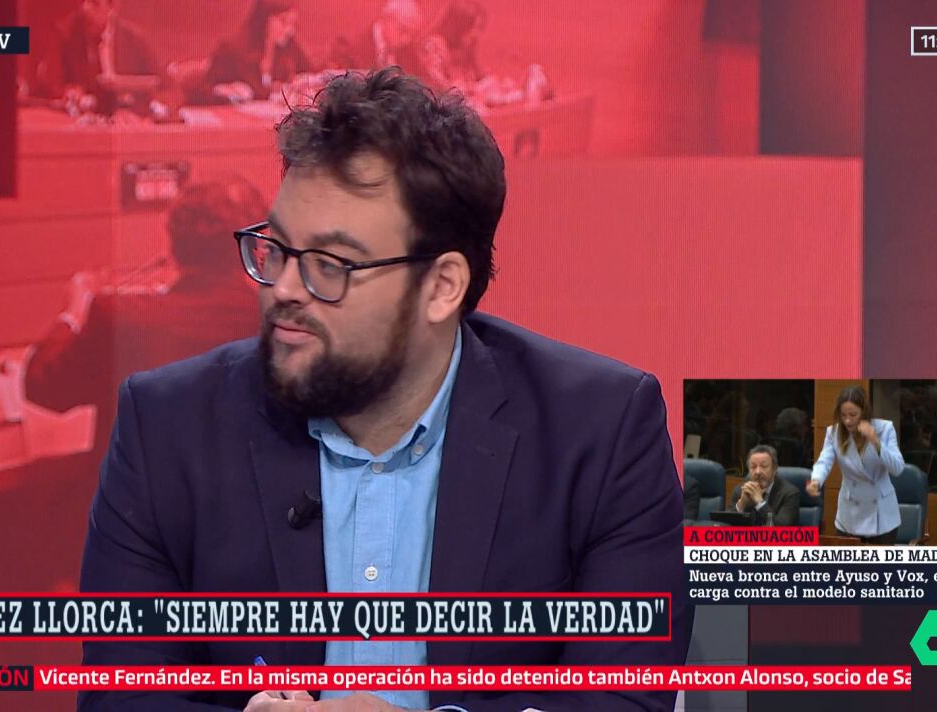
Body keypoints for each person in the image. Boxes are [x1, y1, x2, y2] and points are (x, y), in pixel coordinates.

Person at [79, 68, 689, 711]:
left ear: (442, 287)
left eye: (329, 265)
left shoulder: (600, 433)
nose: (283, 289)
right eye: (275, 250)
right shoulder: (167, 428)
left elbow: (623, 701)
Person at [24, 176, 264, 453]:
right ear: (251, 247)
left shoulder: (120, 317)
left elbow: (43, 386)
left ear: (174, 243)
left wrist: (74, 313)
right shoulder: (272, 321)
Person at [806, 386, 906, 544]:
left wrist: (876, 441)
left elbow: (898, 468)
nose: (847, 420)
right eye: (843, 415)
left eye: (853, 415)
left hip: (881, 516)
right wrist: (816, 480)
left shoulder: (884, 429)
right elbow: (824, 461)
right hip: (850, 513)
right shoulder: (834, 432)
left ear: (864, 412)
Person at [185, 0, 316, 105]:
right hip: (234, 124)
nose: (289, 30)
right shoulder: (232, 50)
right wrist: (221, 91)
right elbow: (199, 92)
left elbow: (313, 75)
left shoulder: (290, 47)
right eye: (283, 21)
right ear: (264, 20)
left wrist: (304, 82)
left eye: (293, 24)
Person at [36, 0, 159, 108]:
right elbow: (50, 83)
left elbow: (159, 83)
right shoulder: (65, 33)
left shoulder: (134, 39)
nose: (85, 8)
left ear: (112, 7)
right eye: (83, 1)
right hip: (81, 119)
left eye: (94, 2)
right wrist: (67, 92)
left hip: (126, 118)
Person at [329, 0, 424, 76]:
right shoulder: (350, 47)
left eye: (411, 34)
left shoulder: (408, 53)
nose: (406, 40)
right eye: (403, 30)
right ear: (388, 19)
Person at [418, 0, 487, 91]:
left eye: (479, 28)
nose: (476, 34)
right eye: (473, 28)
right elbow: (436, 85)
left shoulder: (464, 46)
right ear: (459, 26)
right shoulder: (433, 46)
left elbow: (478, 78)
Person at [730, 445, 800, 526]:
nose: (758, 472)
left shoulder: (790, 494)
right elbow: (726, 525)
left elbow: (782, 528)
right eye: (753, 467)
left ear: (774, 469)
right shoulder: (740, 490)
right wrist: (741, 504)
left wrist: (760, 502)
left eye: (764, 466)